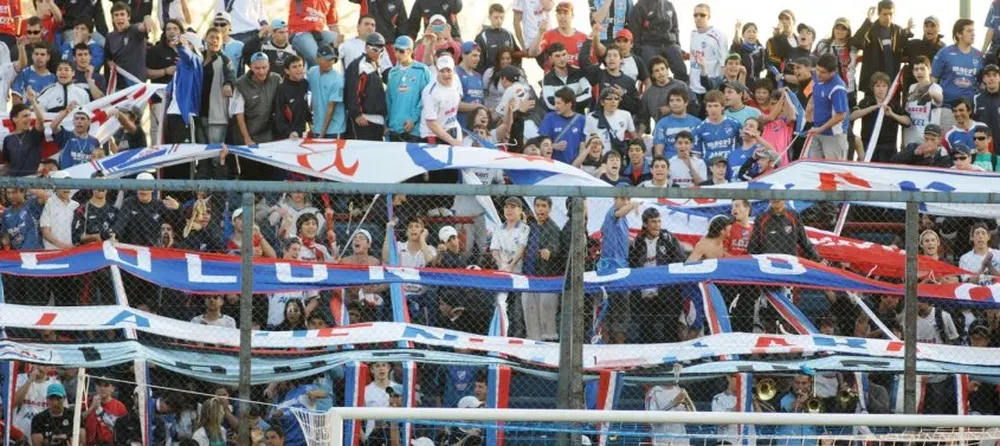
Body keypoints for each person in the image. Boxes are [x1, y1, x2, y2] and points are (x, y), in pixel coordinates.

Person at [628, 207, 685, 342]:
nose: (657, 225)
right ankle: (648, 361)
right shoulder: (638, 242)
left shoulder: (668, 239)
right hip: (644, 292)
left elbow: (679, 259)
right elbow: (632, 264)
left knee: (669, 328)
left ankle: (669, 360)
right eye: (653, 222)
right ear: (645, 224)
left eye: (659, 221)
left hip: (666, 292)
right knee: (646, 329)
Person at [851, 0, 912, 96]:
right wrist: (868, 21)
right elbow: (856, 42)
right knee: (872, 110)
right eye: (884, 14)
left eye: (890, 14)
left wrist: (907, 33)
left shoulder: (898, 31)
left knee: (892, 110)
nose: (888, 17)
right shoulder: (870, 29)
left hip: (892, 83)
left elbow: (905, 50)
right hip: (873, 83)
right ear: (878, 14)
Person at [520, 196, 561, 341]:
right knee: (530, 316)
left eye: (543, 206)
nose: (540, 209)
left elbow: (556, 246)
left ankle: (549, 349)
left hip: (546, 280)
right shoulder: (530, 227)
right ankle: (532, 347)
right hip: (529, 278)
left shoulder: (553, 228)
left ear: (549, 209)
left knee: (546, 316)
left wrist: (550, 251)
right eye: (537, 206)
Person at [932, 18, 983, 129]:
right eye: (969, 31)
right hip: (948, 109)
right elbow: (933, 81)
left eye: (973, 31)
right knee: (947, 144)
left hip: (970, 111)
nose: (973, 34)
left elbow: (982, 84)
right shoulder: (945, 52)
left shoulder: (979, 55)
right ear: (959, 34)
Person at [851, 71, 911, 162]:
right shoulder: (866, 101)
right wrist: (870, 109)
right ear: (873, 88)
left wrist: (892, 114)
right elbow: (851, 116)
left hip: (888, 149)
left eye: (884, 86)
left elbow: (908, 122)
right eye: (878, 86)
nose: (881, 89)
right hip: (869, 146)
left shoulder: (893, 104)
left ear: (888, 88)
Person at [231, 52, 282, 150]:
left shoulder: (276, 79)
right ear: (250, 67)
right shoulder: (240, 84)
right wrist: (247, 139)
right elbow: (239, 115)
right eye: (257, 68)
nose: (261, 72)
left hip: (267, 133)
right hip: (246, 134)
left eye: (264, 67)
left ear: (269, 66)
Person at [626, 0, 685, 84]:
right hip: (649, 44)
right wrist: (637, 49)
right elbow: (634, 29)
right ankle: (652, 94)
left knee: (681, 70)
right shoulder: (640, 5)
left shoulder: (669, 5)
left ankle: (681, 93)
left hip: (669, 43)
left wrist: (678, 45)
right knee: (648, 74)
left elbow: (675, 28)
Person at [386, 36, 432, 142]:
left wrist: (413, 119)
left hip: (413, 130)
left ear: (410, 51)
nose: (397, 54)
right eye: (395, 50)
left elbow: (425, 98)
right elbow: (389, 100)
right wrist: (386, 122)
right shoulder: (393, 73)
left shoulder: (421, 70)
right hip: (394, 127)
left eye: (401, 51)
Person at [344, 32, 388, 141]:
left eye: (381, 50)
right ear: (366, 48)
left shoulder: (376, 65)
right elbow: (351, 90)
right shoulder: (358, 65)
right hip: (364, 119)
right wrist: (356, 114)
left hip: (378, 120)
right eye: (375, 50)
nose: (378, 53)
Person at [806, 53, 850, 160]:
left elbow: (841, 115)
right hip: (817, 130)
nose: (818, 74)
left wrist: (821, 129)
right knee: (814, 168)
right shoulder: (817, 77)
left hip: (833, 135)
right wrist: (810, 106)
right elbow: (815, 91)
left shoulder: (837, 88)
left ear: (833, 73)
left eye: (823, 72)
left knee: (833, 170)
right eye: (817, 70)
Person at [748, 199, 822, 262]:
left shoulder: (794, 215)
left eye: (778, 195)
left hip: (790, 262)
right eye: (772, 196)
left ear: (784, 198)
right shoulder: (761, 218)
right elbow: (753, 246)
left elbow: (804, 242)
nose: (775, 199)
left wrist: (819, 260)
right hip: (768, 263)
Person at [198, 27, 236, 144]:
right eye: (211, 37)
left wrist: (228, 84)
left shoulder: (225, 60)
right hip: (198, 112)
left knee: (215, 154)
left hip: (216, 115)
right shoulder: (199, 57)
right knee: (200, 153)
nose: (214, 41)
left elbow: (231, 75)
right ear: (205, 39)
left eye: (217, 38)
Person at [104, 2, 154, 88]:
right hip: (119, 86)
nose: (119, 18)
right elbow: (108, 58)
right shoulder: (110, 37)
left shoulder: (134, 30)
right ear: (112, 19)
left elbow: (142, 27)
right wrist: (112, 68)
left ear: (128, 17)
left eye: (122, 14)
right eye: (116, 15)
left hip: (137, 84)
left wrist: (147, 18)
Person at [420, 54, 463, 146]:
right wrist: (452, 141)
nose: (446, 74)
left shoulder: (456, 81)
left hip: (451, 127)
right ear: (437, 71)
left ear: (454, 70)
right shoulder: (431, 92)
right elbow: (431, 123)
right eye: (442, 71)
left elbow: (454, 108)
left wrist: (458, 137)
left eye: (448, 70)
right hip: (432, 134)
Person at [531, 1, 588, 69]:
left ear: (572, 15)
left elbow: (591, 63)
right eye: (559, 13)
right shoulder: (548, 35)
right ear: (556, 15)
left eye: (565, 13)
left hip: (577, 77)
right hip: (554, 77)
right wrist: (540, 33)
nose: (562, 16)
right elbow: (532, 53)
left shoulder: (583, 37)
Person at [687, 3, 727, 95]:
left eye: (702, 15)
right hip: (693, 88)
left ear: (708, 17)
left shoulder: (718, 35)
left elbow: (723, 64)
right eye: (695, 15)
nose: (698, 17)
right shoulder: (693, 33)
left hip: (708, 89)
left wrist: (717, 87)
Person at [540, 43, 592, 113]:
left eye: (564, 54)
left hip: (578, 117)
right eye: (557, 56)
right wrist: (572, 102)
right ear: (551, 58)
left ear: (567, 54)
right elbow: (550, 103)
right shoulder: (548, 77)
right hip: (558, 120)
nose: (562, 59)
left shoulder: (578, 72)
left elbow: (588, 95)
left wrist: (562, 103)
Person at [539, 87, 586, 164]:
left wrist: (578, 165)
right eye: (555, 103)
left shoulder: (581, 119)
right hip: (553, 165)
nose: (555, 106)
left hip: (573, 167)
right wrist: (553, 146)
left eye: (558, 103)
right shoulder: (550, 117)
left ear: (568, 104)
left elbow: (582, 146)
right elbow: (540, 142)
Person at [286, 0, 339, 67]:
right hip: (299, 32)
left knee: (336, 39)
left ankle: (329, 74)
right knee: (317, 58)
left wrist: (340, 43)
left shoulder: (330, 1)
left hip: (317, 33)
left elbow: (333, 25)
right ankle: (314, 73)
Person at [652, 87, 701, 159]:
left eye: (678, 100)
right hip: (670, 165)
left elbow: (700, 149)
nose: (674, 103)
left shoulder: (697, 123)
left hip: (692, 164)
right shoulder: (662, 124)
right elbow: (658, 152)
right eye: (671, 100)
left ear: (686, 102)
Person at [905, 55, 944, 146]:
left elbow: (940, 100)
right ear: (913, 72)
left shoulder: (935, 87)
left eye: (922, 69)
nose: (919, 72)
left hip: (926, 142)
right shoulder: (911, 88)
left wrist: (930, 94)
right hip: (909, 139)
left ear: (929, 70)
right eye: (916, 69)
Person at [307, 45, 345, 138]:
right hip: (317, 128)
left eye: (332, 59)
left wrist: (322, 134)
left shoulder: (338, 80)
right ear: (317, 59)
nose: (330, 63)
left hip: (334, 130)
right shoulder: (312, 72)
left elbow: (331, 108)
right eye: (326, 59)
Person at [693, 90, 742, 162]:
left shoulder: (735, 124)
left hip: (731, 167)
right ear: (706, 108)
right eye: (710, 106)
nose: (713, 110)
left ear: (722, 107)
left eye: (716, 106)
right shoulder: (699, 129)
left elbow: (745, 146)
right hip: (710, 169)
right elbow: (696, 155)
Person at [2, 99, 47, 177]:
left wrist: (33, 100)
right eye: (25, 116)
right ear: (15, 119)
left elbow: (40, 120)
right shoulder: (7, 139)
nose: (29, 118)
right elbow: (8, 165)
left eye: (30, 115)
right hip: (14, 184)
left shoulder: (34, 134)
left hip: (32, 182)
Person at [584, 87, 635, 155]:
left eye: (616, 99)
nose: (613, 101)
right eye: (609, 99)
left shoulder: (626, 115)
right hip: (599, 157)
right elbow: (587, 140)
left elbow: (634, 136)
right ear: (602, 102)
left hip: (617, 157)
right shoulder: (592, 117)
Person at [272, 54, 310, 140]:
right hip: (287, 136)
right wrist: (288, 132)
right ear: (287, 71)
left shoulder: (305, 84)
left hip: (302, 133)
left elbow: (305, 108)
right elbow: (278, 116)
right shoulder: (282, 89)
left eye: (300, 65)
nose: (299, 69)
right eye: (294, 67)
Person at [82, 379, 128, 446]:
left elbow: (125, 429)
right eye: (99, 385)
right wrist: (92, 408)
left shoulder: (119, 406)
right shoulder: (88, 402)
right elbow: (78, 419)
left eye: (106, 386)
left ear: (113, 389)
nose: (102, 388)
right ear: (95, 387)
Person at [645, 381, 694, 446]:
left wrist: (688, 402)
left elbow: (694, 416)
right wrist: (673, 403)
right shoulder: (654, 392)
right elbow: (652, 422)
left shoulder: (679, 390)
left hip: (681, 440)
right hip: (662, 439)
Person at [475, 4, 519, 73]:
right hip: (491, 75)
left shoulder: (508, 34)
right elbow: (478, 62)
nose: (499, 21)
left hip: (508, 76)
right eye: (496, 17)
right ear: (489, 17)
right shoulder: (482, 37)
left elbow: (516, 55)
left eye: (501, 17)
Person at [776, 375, 820, 446]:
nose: (800, 386)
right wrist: (799, 402)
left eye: (804, 383)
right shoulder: (782, 397)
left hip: (809, 442)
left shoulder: (815, 399)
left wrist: (807, 401)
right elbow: (779, 412)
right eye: (797, 383)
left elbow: (820, 416)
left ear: (809, 384)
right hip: (787, 442)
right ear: (792, 383)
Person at [904, 16, 945, 88]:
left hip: (934, 91)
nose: (929, 29)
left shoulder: (943, 49)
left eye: (932, 26)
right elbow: (898, 47)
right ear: (923, 28)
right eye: (926, 26)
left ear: (938, 28)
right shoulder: (914, 44)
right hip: (913, 90)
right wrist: (906, 33)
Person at [456, 42, 485, 129]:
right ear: (464, 55)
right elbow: (455, 104)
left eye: (479, 56)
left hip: (477, 128)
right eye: (474, 55)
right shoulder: (456, 74)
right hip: (461, 126)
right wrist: (476, 107)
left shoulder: (478, 76)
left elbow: (480, 100)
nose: (478, 59)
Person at [975, 64, 1000, 134]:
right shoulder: (976, 99)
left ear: (999, 78)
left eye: (995, 75)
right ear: (984, 79)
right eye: (988, 76)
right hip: (983, 142)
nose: (991, 78)